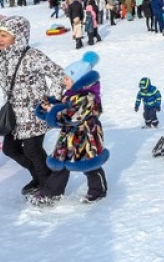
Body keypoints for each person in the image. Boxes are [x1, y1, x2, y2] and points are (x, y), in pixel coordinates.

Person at [0, 16, 66, 196]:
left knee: (33, 150)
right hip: (13, 113)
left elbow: (58, 75)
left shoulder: (33, 56)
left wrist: (51, 100)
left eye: (4, 35)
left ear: (18, 36)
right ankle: (40, 177)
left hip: (34, 113)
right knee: (10, 149)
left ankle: (50, 187)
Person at [29, 60, 109, 205]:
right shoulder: (71, 93)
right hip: (68, 136)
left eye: (67, 78)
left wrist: (51, 112)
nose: (63, 81)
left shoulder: (87, 97)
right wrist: (50, 105)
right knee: (60, 164)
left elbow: (71, 116)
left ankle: (98, 190)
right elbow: (63, 105)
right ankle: (51, 194)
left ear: (78, 80)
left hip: (85, 136)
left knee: (89, 164)